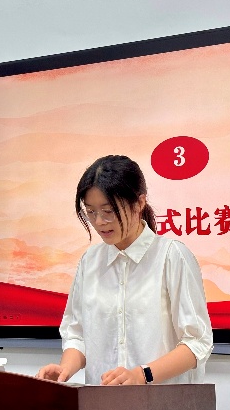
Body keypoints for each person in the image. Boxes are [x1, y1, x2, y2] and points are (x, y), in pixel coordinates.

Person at [36, 155, 213, 385]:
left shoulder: (171, 256)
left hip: (162, 399)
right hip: (102, 398)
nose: (99, 222)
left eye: (108, 211)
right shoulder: (90, 261)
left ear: (139, 203)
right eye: (90, 211)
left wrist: (142, 375)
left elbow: (197, 342)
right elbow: (77, 335)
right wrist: (65, 369)